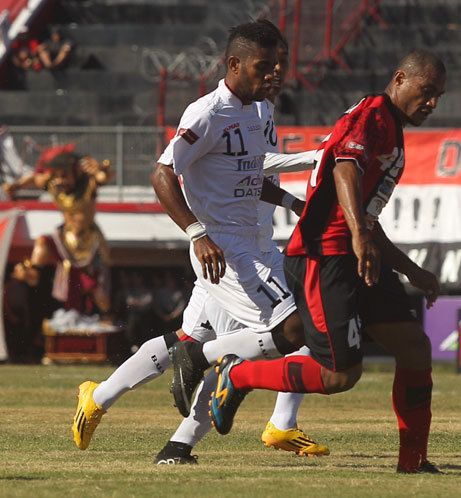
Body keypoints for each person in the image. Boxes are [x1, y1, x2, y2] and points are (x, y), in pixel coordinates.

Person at [70, 20, 324, 464]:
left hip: (256, 243)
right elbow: (162, 173)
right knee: (292, 329)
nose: (275, 74)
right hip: (224, 249)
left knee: (192, 337)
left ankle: (113, 405)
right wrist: (198, 233)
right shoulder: (207, 113)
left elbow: (247, 176)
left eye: (279, 65)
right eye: (264, 66)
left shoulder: (262, 111)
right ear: (234, 64)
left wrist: (292, 202)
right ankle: (273, 420)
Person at [204, 49, 446, 474]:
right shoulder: (372, 115)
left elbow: (367, 215)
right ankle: (238, 376)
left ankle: (413, 462)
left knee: (414, 347)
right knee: (338, 376)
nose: (432, 103)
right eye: (426, 91)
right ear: (400, 78)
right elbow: (344, 169)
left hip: (356, 253)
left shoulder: (392, 128)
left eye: (438, 96)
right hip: (324, 256)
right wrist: (356, 235)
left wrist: (411, 270)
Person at [3, 151, 114, 315]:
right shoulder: (54, 184)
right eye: (58, 175)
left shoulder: (89, 184)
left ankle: (107, 314)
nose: (61, 180)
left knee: (96, 288)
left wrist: (101, 170)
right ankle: (34, 271)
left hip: (88, 241)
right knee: (42, 241)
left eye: (65, 175)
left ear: (75, 171)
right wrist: (16, 186)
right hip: (65, 237)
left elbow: (104, 177)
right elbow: (34, 178)